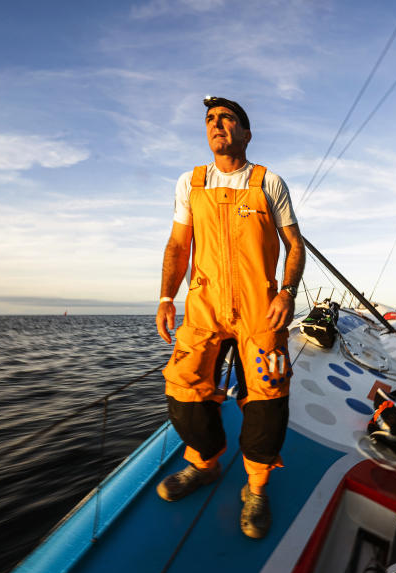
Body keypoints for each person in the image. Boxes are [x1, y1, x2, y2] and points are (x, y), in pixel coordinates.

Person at [154, 96, 305, 539]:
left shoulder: (269, 182)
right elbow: (179, 245)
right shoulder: (190, 182)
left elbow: (295, 245)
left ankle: (256, 488)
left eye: (228, 119)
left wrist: (289, 292)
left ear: (246, 133)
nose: (217, 125)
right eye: (210, 120)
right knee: (182, 390)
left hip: (261, 311)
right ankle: (204, 462)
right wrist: (166, 296)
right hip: (204, 307)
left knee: (269, 397)